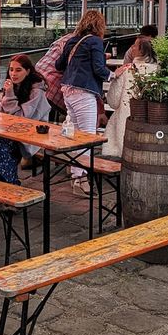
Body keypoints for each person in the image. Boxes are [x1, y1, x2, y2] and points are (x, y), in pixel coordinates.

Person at [56, 10, 113, 196]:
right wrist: (113, 75)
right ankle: (81, 180)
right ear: (100, 25)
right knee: (87, 136)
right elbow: (99, 68)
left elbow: (59, 65)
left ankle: (75, 175)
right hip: (84, 92)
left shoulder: (73, 40)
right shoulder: (95, 41)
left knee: (74, 134)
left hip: (68, 90)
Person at [0, 55, 51, 182]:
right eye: (11, 70)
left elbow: (22, 119)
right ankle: (1, 177)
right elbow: (1, 113)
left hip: (32, 133)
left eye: (18, 70)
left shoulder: (36, 92)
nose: (13, 74)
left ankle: (8, 181)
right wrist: (6, 95)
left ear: (28, 71)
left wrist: (10, 95)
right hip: (11, 130)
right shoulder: (13, 86)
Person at [104, 36, 158, 159]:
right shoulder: (159, 72)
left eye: (134, 45)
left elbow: (113, 102)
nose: (132, 48)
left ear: (141, 51)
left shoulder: (127, 71)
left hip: (125, 126)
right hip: (152, 127)